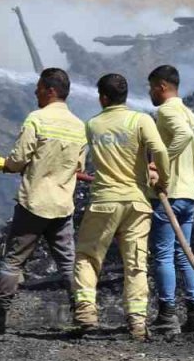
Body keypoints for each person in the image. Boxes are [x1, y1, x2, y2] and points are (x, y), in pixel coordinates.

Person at [0, 68, 88, 334]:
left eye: (39, 88)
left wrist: (6, 165)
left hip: (34, 204)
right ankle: (83, 314)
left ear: (50, 90)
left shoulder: (37, 119)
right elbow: (78, 166)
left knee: (13, 262)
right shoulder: (79, 126)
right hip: (63, 206)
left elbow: (18, 160)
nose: (35, 92)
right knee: (68, 263)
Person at [73, 73, 172, 341]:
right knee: (136, 262)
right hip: (137, 203)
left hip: (104, 201)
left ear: (103, 97)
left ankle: (86, 314)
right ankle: (138, 323)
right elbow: (160, 151)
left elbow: (78, 164)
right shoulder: (140, 120)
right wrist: (162, 179)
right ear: (125, 96)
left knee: (87, 256)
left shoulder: (92, 125)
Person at [146, 65, 194, 336]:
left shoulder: (167, 110)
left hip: (169, 195)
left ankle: (167, 316)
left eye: (151, 87)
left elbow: (182, 137)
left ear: (161, 86)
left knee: (163, 255)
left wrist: (159, 164)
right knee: (186, 256)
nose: (149, 93)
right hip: (189, 194)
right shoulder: (189, 113)